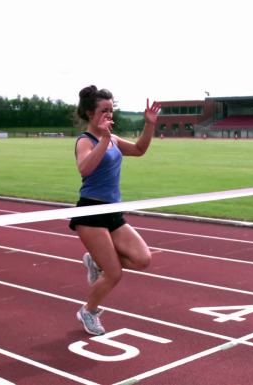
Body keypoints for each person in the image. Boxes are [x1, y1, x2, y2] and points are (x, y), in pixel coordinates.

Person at [69, 85, 161, 335]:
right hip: (90, 213)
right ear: (90, 113)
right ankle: (88, 311)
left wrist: (149, 124)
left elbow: (140, 150)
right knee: (114, 273)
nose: (110, 114)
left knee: (143, 259)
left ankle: (95, 259)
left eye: (111, 110)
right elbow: (84, 168)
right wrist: (106, 139)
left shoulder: (114, 139)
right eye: (104, 110)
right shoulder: (84, 141)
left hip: (113, 212)